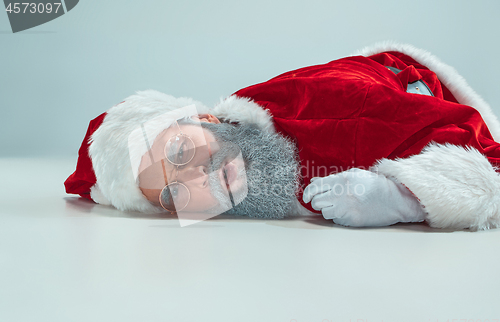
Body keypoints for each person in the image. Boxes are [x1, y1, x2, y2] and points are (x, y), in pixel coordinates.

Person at [65, 42, 500, 231]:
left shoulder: (338, 110)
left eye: (181, 150)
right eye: (173, 194)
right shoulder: (238, 189)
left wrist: (403, 198)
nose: (200, 179)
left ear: (203, 117)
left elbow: (488, 166)